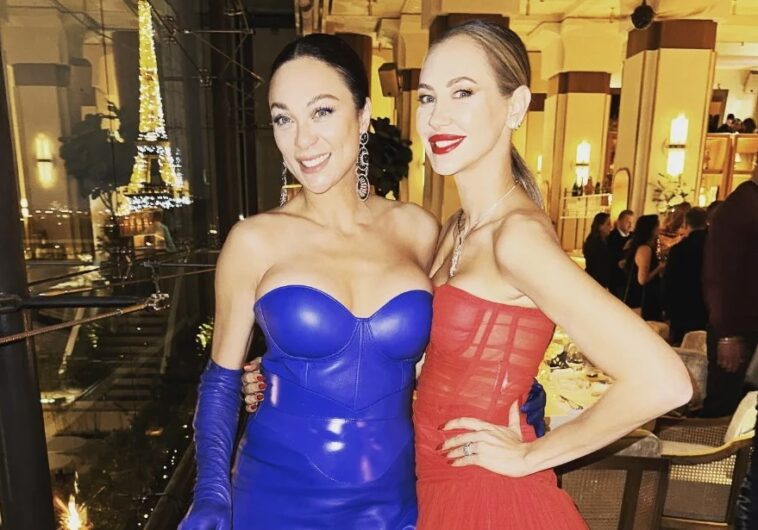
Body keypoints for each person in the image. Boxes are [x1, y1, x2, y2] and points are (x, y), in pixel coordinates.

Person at [181, 34, 545, 530]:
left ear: (363, 115)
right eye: (284, 118)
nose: (302, 140)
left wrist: (520, 395)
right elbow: (222, 380)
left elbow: (460, 341)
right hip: (274, 498)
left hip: (394, 502)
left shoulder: (418, 230)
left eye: (322, 111)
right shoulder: (254, 241)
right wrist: (211, 496)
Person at [411, 20, 690, 529]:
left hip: (486, 498)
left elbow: (664, 381)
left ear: (515, 106)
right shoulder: (457, 227)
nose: (437, 116)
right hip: (434, 480)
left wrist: (530, 456)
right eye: (427, 97)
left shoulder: (516, 236)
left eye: (463, 92)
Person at [701, 165, 758, 419]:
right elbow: (719, 275)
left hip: (745, 327)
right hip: (737, 331)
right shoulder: (740, 208)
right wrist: (726, 335)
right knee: (725, 408)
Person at [664, 207, 708, 345]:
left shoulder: (679, 249)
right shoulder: (714, 246)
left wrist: (667, 308)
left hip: (682, 305)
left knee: (681, 345)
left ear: (686, 224)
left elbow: (669, 280)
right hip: (706, 305)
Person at [622, 214, 665, 321]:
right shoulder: (645, 249)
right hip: (643, 300)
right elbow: (642, 279)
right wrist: (660, 268)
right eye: (657, 226)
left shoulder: (641, 246)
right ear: (651, 229)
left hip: (641, 298)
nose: (659, 229)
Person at [607, 209, 634, 298]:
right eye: (628, 222)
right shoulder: (611, 237)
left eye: (632, 222)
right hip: (616, 278)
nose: (630, 225)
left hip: (630, 279)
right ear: (619, 222)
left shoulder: (633, 236)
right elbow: (610, 257)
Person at [582, 212, 612, 288]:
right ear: (600, 226)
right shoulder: (593, 243)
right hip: (595, 281)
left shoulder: (607, 240)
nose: (611, 227)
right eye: (608, 224)